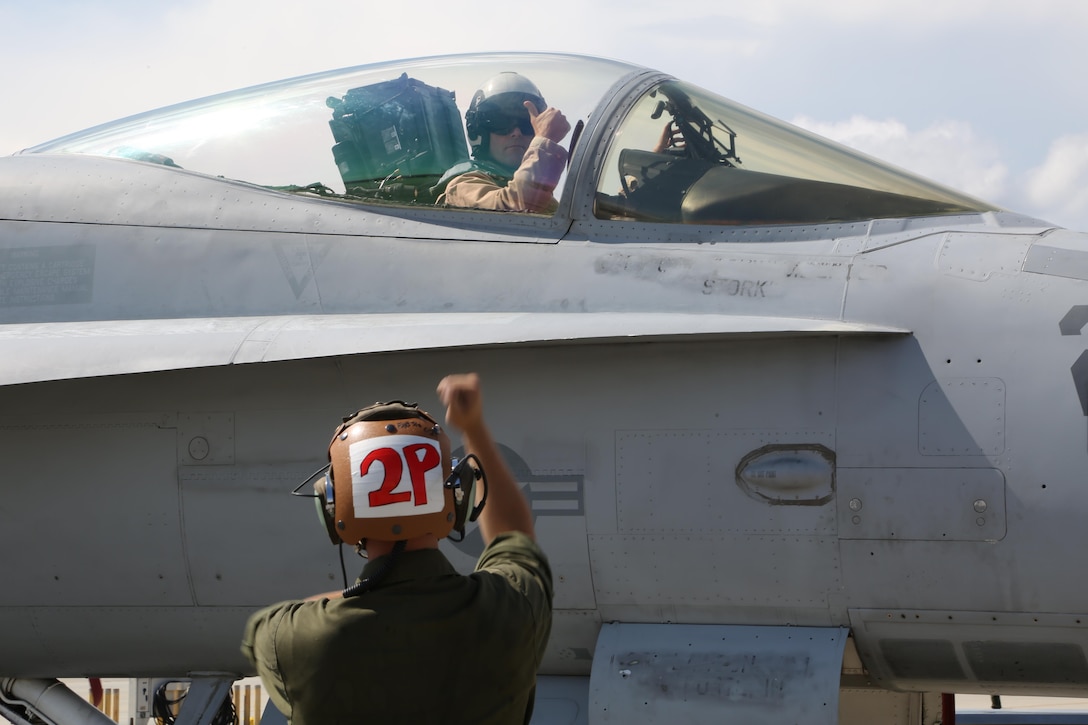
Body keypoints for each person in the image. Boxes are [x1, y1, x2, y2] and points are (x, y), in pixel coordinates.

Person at [240, 373, 553, 725]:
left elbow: (262, 631)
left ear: (333, 509)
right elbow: (515, 538)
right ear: (457, 498)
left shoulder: (289, 638)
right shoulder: (512, 608)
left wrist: (366, 595)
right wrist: (473, 428)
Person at [437, 72, 571, 213]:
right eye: (501, 122)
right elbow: (514, 211)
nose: (516, 132)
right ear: (478, 131)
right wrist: (546, 141)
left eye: (526, 123)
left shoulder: (542, 196)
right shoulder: (463, 185)